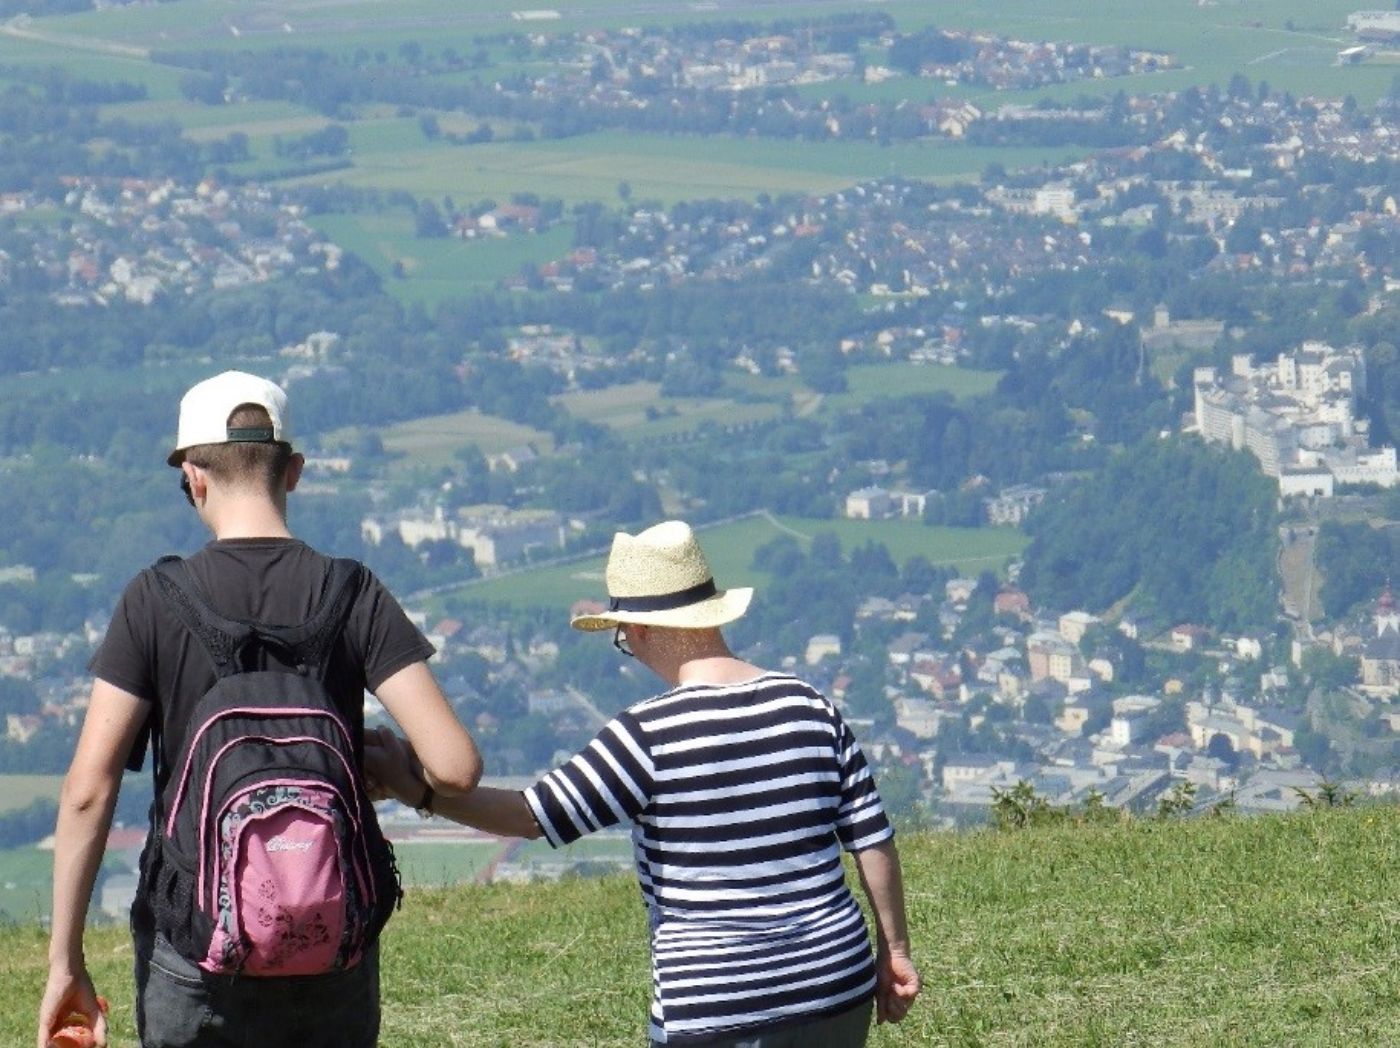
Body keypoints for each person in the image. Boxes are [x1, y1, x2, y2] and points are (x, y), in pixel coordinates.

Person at [37, 370, 484, 1048]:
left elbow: (86, 794)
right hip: (330, 940)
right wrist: (396, 770)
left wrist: (64, 960)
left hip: (194, 944)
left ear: (193, 476)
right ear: (294, 472)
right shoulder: (352, 591)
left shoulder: (155, 599)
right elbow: (456, 766)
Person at [366, 519, 921, 1046]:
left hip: (716, 1004)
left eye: (625, 638)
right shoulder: (810, 705)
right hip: (836, 978)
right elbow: (873, 840)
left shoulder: (648, 735)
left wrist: (417, 788)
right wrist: (894, 949)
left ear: (641, 628)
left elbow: (532, 817)